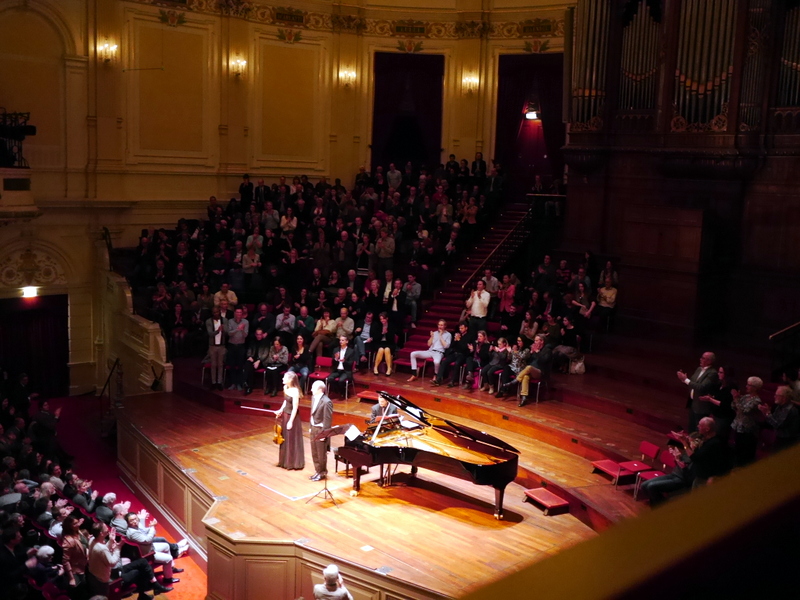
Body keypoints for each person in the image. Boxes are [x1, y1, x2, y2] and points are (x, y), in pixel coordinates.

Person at [677, 351, 720, 433]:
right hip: (693, 403)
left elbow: (701, 387)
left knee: (699, 430)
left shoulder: (712, 373)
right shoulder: (699, 369)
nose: (700, 359)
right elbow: (692, 383)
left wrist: (685, 380)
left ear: (709, 361)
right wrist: (684, 379)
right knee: (691, 427)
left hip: (701, 406)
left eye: (703, 358)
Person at [271, 372, 304, 470]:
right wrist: (280, 410)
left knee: (291, 439)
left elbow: (295, 408)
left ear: (290, 380)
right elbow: (285, 401)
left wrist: (290, 421)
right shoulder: (286, 388)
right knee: (285, 437)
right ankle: (284, 461)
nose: (282, 379)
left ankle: (292, 462)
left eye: (284, 378)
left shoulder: (295, 392)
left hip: (292, 417)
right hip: (285, 416)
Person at [730, 376, 764, 466]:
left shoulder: (757, 401)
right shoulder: (745, 397)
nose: (746, 387)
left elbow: (745, 410)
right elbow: (733, 406)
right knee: (736, 451)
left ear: (755, 388)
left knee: (744, 455)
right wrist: (735, 398)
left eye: (749, 385)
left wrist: (737, 400)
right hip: (738, 427)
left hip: (748, 431)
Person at [759, 385, 800, 451]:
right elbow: (773, 420)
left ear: (784, 398)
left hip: (787, 442)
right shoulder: (779, 406)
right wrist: (766, 412)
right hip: (780, 438)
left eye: (777, 395)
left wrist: (767, 413)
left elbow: (777, 425)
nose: (774, 397)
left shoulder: (788, 409)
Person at [516, 335, 552, 406]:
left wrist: (537, 351)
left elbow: (543, 361)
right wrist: (531, 353)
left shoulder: (547, 350)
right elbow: (529, 362)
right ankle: (524, 397)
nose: (534, 342)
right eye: (534, 340)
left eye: (536, 340)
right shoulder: (535, 349)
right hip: (531, 371)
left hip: (541, 372)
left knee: (529, 367)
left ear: (542, 341)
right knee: (526, 376)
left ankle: (516, 380)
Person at [308, 381, 333, 481]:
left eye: (313, 388)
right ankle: (317, 471)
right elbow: (312, 414)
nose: (311, 390)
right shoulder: (313, 398)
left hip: (321, 430)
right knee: (314, 452)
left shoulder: (327, 402)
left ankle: (322, 472)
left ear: (319, 389)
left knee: (321, 453)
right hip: (314, 428)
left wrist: (324, 434)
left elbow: (327, 420)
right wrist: (311, 426)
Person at [434, 322, 472, 387]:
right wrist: (455, 340)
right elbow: (452, 346)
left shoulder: (469, 337)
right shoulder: (458, 335)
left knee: (457, 363)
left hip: (463, 355)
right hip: (455, 353)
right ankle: (439, 379)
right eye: (460, 328)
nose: (460, 329)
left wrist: (459, 340)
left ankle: (453, 381)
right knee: (444, 361)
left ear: (466, 328)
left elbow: (464, 348)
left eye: (462, 328)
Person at [226, 307, 249, 390]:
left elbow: (245, 335)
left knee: (240, 365)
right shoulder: (230, 321)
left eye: (240, 313)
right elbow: (229, 333)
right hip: (232, 345)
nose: (238, 314)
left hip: (241, 346)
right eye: (237, 312)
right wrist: (237, 329)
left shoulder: (246, 322)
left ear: (242, 314)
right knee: (231, 365)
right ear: (234, 313)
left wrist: (242, 330)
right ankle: (233, 383)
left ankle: (239, 383)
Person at [243, 328, 270, 396]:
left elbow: (265, 354)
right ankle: (248, 385)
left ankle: (247, 384)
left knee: (250, 368)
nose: (258, 336)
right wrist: (249, 357)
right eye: (257, 334)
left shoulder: (266, 342)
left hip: (261, 361)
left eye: (260, 334)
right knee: (247, 364)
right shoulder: (252, 341)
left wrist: (259, 361)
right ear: (255, 334)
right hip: (253, 359)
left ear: (262, 334)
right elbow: (249, 350)